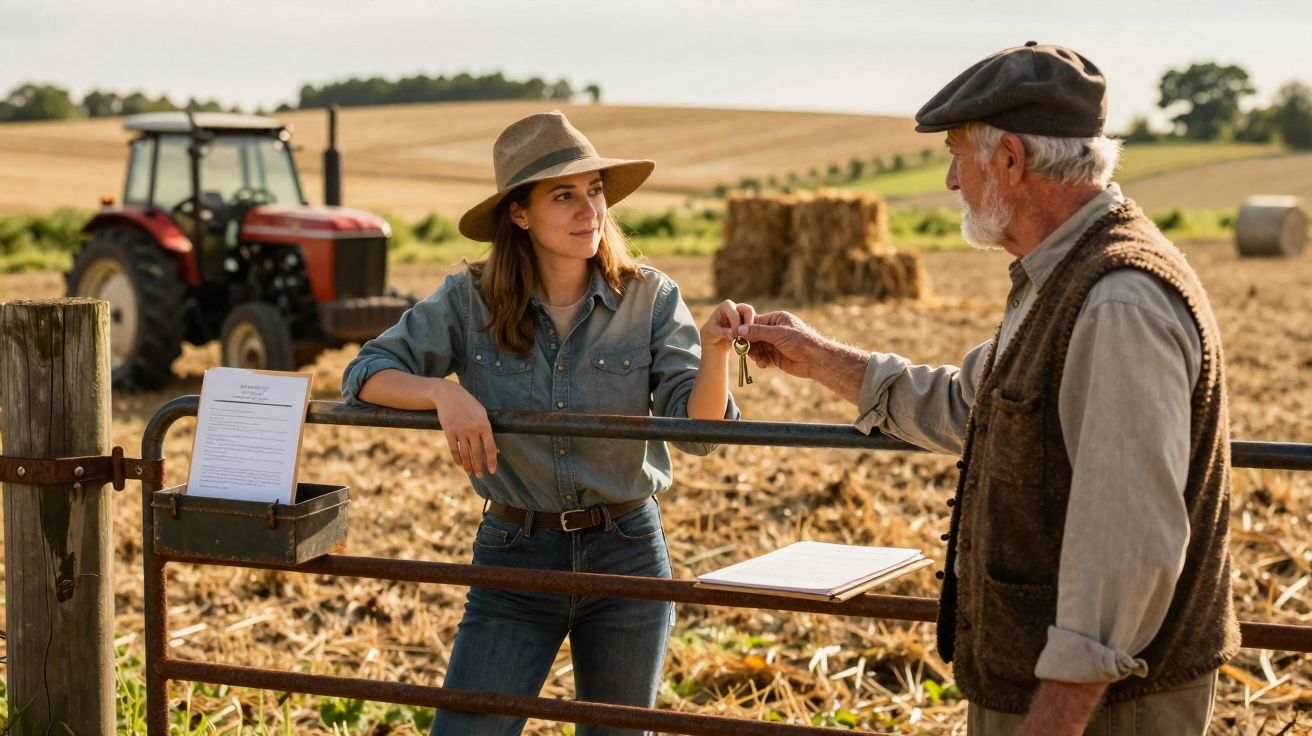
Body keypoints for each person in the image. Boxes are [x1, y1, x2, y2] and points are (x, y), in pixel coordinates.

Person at [738, 43, 1238, 736]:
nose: (950, 181)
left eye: (956, 156)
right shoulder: (1061, 278)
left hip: (1102, 711)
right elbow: (968, 406)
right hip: (1057, 694)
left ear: (1010, 159)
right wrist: (817, 357)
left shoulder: (1119, 301)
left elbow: (1130, 543)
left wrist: (1054, 718)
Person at [341, 111, 750, 736]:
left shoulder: (650, 297)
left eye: (595, 192)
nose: (589, 210)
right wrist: (441, 395)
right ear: (519, 213)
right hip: (516, 553)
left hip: (628, 554)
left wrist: (716, 353)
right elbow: (365, 373)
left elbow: (695, 432)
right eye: (564, 195)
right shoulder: (468, 298)